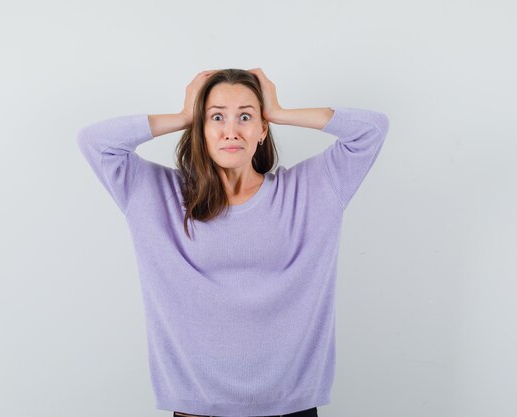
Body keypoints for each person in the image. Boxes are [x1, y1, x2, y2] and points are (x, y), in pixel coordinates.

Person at [76, 68, 389, 417]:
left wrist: (279, 111)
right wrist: (182, 116)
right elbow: (94, 141)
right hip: (197, 408)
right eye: (216, 117)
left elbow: (372, 129)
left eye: (245, 116)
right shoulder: (156, 194)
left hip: (290, 407)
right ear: (201, 129)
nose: (231, 131)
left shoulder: (311, 189)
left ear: (262, 129)